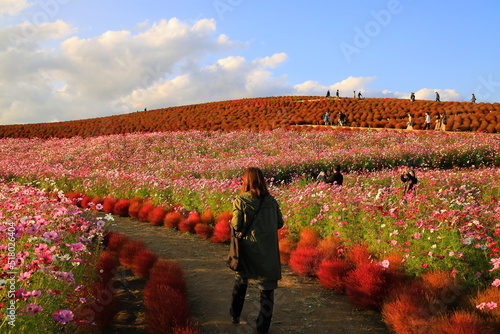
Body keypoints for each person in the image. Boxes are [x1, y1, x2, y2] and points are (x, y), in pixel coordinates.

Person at [230, 167, 284, 333]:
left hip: (248, 251)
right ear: (262, 180)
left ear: (246, 181)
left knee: (241, 281)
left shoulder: (241, 200)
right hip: (268, 253)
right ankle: (262, 329)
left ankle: (235, 315)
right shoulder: (271, 201)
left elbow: (237, 225)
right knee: (267, 292)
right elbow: (279, 224)